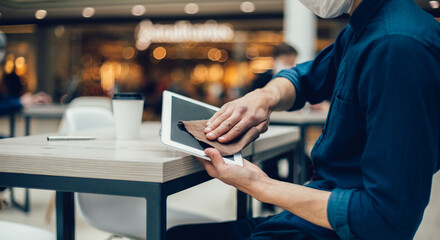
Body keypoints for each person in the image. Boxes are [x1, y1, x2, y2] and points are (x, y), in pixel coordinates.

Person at [167, 0, 440, 239]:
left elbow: (385, 220)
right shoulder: (362, 29)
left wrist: (260, 185)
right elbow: (307, 78)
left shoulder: (396, 46)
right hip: (314, 217)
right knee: (178, 234)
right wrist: (265, 97)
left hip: (338, 229)